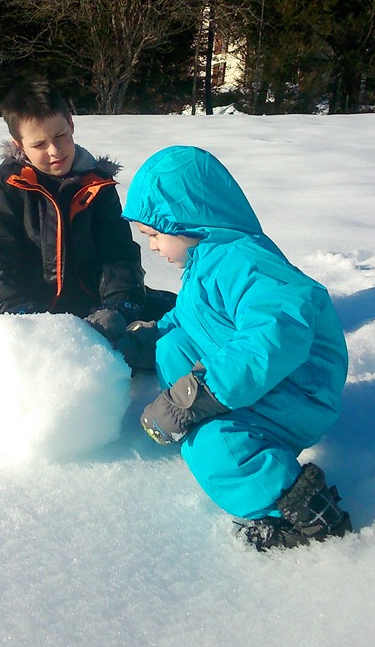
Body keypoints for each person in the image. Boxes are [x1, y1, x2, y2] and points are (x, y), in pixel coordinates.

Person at [116, 145, 353, 552]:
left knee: (213, 447)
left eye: (155, 235)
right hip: (262, 379)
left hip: (297, 390)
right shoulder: (206, 262)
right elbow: (187, 320)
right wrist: (137, 343)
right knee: (171, 344)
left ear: (187, 220)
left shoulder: (244, 262)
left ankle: (298, 508)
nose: (153, 247)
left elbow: (277, 332)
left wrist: (194, 397)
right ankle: (213, 408)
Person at [0, 79, 174, 400]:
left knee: (176, 328)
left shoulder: (98, 185)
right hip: (17, 305)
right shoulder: (2, 186)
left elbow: (118, 255)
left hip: (87, 304)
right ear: (19, 144)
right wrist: (21, 319)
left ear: (71, 125)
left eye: (60, 136)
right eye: (39, 144)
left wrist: (117, 307)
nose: (54, 150)